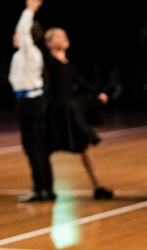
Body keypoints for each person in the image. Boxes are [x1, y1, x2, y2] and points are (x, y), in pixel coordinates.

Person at [43, 26, 114, 200]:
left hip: (69, 111)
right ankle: (46, 187)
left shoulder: (66, 64)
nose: (64, 37)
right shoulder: (50, 63)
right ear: (50, 43)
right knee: (46, 149)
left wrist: (97, 93)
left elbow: (81, 82)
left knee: (83, 148)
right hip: (56, 110)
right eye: (59, 36)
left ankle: (97, 186)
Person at [8, 0, 54, 203]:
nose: (15, 35)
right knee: (36, 147)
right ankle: (46, 188)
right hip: (26, 103)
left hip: (31, 103)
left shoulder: (30, 53)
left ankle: (41, 189)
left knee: (34, 147)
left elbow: (24, 30)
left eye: (18, 33)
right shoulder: (21, 56)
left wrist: (30, 10)